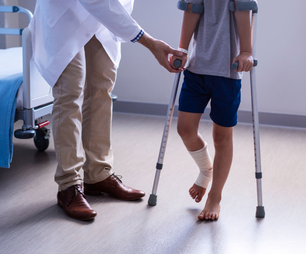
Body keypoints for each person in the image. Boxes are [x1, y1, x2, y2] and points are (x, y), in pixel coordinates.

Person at [28, 0, 184, 221]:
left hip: (100, 20)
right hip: (65, 15)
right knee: (70, 94)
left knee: (102, 89)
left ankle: (98, 174)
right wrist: (149, 42)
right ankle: (68, 186)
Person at [170, 0, 254, 220]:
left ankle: (215, 197)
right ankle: (207, 169)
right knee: (185, 129)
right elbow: (191, 12)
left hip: (228, 72)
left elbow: (244, 13)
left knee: (222, 137)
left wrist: (246, 51)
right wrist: (182, 50)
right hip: (197, 68)